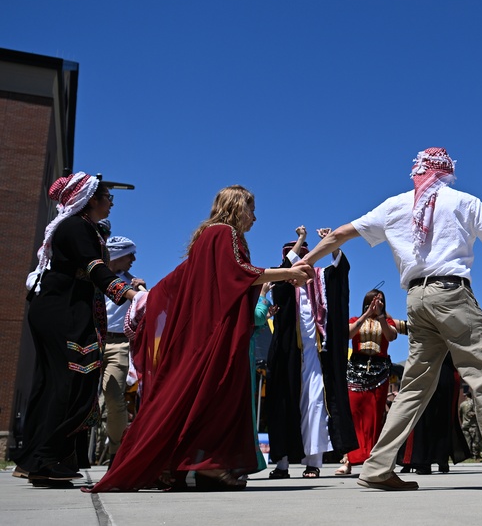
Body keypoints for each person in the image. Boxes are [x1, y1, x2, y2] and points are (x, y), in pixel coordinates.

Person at [296, 147, 482, 491]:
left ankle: (376, 467)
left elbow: (339, 234)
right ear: (447, 172)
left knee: (414, 387)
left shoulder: (395, 206)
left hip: (415, 299)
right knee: (480, 380)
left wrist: (306, 262)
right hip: (451, 295)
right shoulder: (463, 202)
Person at [90, 185, 313, 492]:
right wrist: (287, 274)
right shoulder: (224, 233)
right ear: (236, 207)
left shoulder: (207, 235)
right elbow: (238, 273)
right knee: (217, 393)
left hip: (209, 329)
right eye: (251, 209)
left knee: (195, 395)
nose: (255, 217)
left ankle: (176, 464)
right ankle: (208, 467)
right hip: (218, 331)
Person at [14, 174, 141, 486]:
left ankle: (35, 459)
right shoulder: (77, 226)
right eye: (107, 196)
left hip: (63, 310)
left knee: (55, 382)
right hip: (62, 313)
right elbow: (94, 268)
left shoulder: (83, 228)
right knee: (68, 382)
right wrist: (134, 296)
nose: (111, 201)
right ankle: (44, 458)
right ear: (90, 199)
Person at [266, 228, 339, 479]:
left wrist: (329, 245)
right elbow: (285, 267)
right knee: (283, 406)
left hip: (314, 357)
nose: (300, 265)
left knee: (315, 406)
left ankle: (313, 462)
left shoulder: (321, 284)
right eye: (295, 260)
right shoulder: (282, 287)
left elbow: (340, 272)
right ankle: (283, 464)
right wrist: (299, 241)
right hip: (287, 356)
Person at [341, 286, 402, 475]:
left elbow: (391, 336)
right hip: (356, 369)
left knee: (375, 415)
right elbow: (347, 334)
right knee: (354, 413)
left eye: (381, 300)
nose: (378, 303)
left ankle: (371, 459)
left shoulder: (388, 321)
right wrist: (366, 314)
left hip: (379, 369)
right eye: (375, 300)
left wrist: (381, 316)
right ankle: (348, 458)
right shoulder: (354, 320)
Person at [102, 235, 146, 467]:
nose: (133, 259)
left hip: (119, 344)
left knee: (114, 396)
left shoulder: (133, 284)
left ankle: (116, 453)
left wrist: (140, 288)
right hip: (92, 341)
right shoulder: (94, 277)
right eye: (130, 254)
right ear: (117, 255)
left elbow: (145, 307)